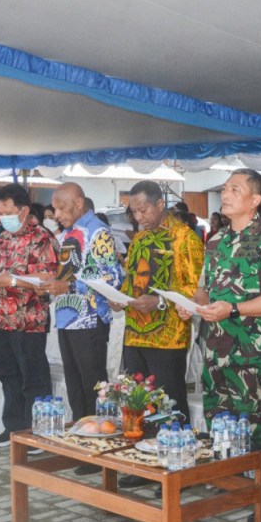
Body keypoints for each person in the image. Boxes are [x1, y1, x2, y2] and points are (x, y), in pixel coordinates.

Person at [177, 168, 261, 522]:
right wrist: (192, 304)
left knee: (260, 425)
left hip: (252, 354)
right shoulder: (215, 241)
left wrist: (234, 309)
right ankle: (231, 483)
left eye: (235, 189)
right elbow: (205, 290)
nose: (225, 194)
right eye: (225, 188)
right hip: (216, 350)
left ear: (255, 200)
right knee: (219, 420)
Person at [115, 180, 203, 433]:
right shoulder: (139, 239)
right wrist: (119, 297)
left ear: (161, 204)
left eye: (143, 210)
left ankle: (172, 452)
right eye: (134, 212)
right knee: (136, 401)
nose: (139, 217)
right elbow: (132, 281)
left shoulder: (185, 238)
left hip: (167, 336)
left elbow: (195, 290)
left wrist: (160, 301)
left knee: (168, 404)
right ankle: (139, 451)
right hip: (134, 333)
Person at [41, 183, 125, 437]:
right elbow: (72, 273)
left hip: (89, 321)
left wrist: (67, 285)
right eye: (55, 209)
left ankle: (99, 439)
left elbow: (111, 278)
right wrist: (51, 282)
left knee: (93, 387)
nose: (57, 215)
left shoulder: (98, 231)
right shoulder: (69, 233)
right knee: (75, 387)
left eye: (61, 208)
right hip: (67, 318)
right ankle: (82, 438)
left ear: (78, 203)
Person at [0, 184, 58, 447]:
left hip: (29, 320)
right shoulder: (1, 238)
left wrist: (11, 281)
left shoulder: (42, 237)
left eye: (8, 213)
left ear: (24, 210)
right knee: (7, 374)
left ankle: (37, 435)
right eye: (0, 213)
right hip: (0, 318)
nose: (4, 218)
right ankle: (13, 429)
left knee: (32, 378)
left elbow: (47, 277)